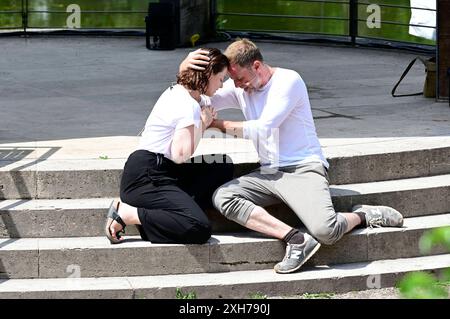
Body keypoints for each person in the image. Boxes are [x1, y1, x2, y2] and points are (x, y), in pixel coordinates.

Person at [180, 39, 404, 274]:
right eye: (232, 80)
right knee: (223, 196)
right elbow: (200, 98)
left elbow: (264, 128)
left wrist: (214, 123)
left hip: (303, 168)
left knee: (326, 231)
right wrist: (185, 70)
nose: (236, 86)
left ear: (257, 66)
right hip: (268, 173)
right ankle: (296, 240)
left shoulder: (288, 81)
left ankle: (363, 215)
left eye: (240, 79)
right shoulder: (242, 87)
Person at [105, 48, 234, 245]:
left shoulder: (181, 91)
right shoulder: (187, 105)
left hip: (161, 170)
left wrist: (184, 67)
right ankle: (128, 213)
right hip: (147, 176)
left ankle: (167, 216)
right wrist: (203, 124)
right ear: (207, 75)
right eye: (220, 78)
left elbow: (201, 93)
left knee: (222, 165)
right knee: (199, 227)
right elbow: (180, 155)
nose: (222, 84)